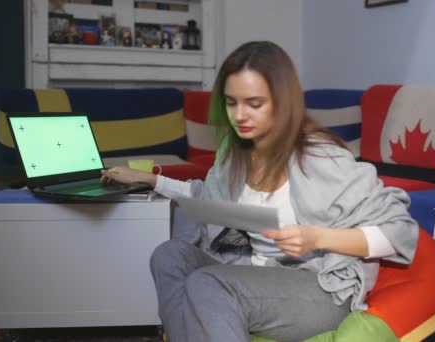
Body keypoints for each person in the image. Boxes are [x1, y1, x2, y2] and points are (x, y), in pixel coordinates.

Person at [101, 41, 418, 342]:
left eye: (254, 103)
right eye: (231, 102)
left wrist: (317, 237)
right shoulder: (233, 152)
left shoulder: (321, 158)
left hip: (318, 287)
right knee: (167, 256)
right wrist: (151, 180)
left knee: (209, 284)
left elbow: (399, 233)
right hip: (251, 271)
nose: (239, 116)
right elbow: (208, 199)